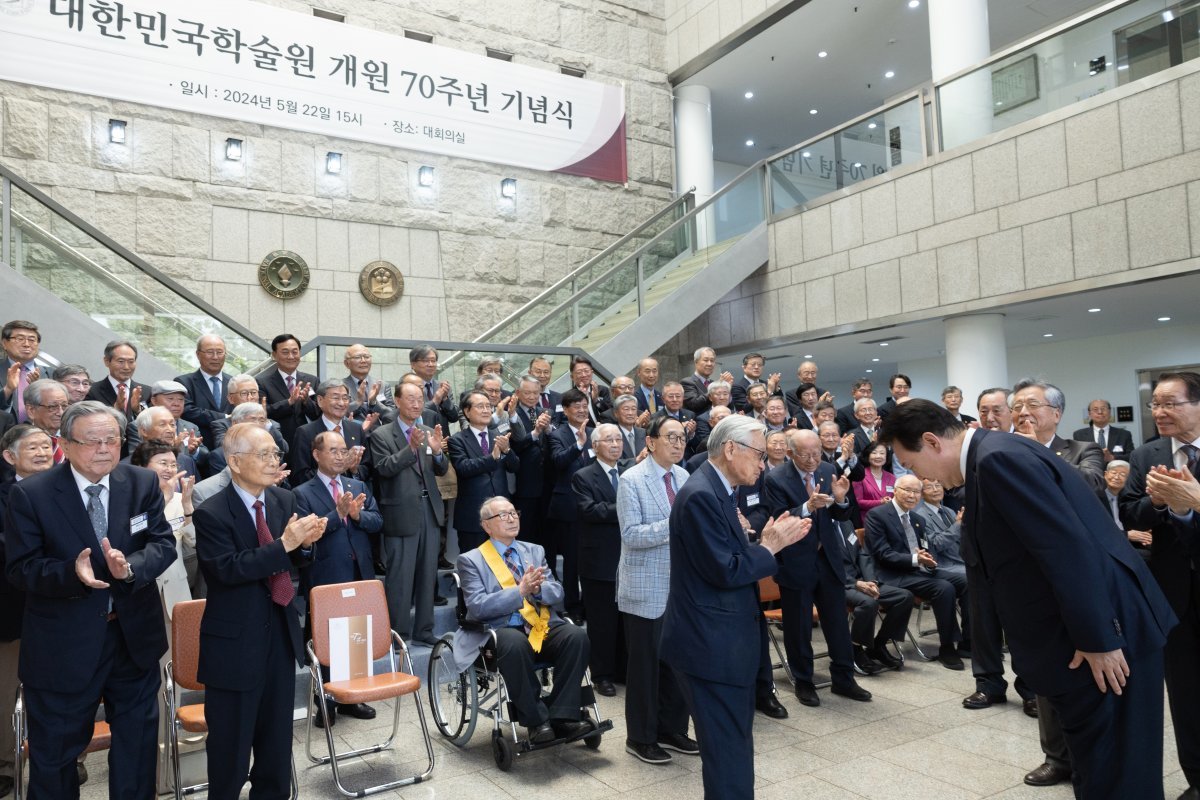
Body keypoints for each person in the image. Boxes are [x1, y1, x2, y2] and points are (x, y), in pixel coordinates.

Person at [880, 399, 1176, 798]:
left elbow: (1066, 549)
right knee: (1102, 770)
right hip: (1088, 633)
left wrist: (1099, 640)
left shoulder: (998, 461)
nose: (919, 475)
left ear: (932, 441)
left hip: (1105, 641)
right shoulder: (995, 452)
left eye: (912, 464)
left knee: (1117, 776)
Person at [6, 401, 178, 798]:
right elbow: (21, 568)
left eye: (112, 439)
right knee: (56, 757)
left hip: (132, 638)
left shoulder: (141, 482)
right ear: (64, 443)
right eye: (92, 441)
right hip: (63, 645)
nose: (104, 448)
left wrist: (130, 567)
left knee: (136, 749)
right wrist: (72, 574)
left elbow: (161, 543)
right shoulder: (33, 494)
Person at [661, 415, 810, 800]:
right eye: (759, 454)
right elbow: (726, 571)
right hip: (709, 647)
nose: (764, 464)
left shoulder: (717, 490)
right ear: (730, 449)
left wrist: (760, 542)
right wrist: (769, 547)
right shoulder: (701, 496)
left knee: (733, 746)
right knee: (728, 753)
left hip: (722, 643)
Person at [193, 422, 325, 800]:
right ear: (235, 462)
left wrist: (303, 545)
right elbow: (227, 570)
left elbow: (296, 559)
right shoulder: (212, 512)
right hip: (234, 646)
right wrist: (286, 544)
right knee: (230, 750)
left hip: (279, 636)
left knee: (275, 746)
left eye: (275, 454)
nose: (273, 462)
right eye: (263, 454)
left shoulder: (282, 500)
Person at [452, 496, 591, 744]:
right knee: (515, 643)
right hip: (497, 630)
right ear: (486, 525)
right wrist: (520, 591)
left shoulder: (534, 551)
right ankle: (536, 721)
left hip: (539, 625)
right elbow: (478, 607)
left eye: (513, 513)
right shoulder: (471, 559)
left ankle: (563, 715)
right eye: (502, 515)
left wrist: (538, 590)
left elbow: (557, 593)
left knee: (576, 636)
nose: (511, 518)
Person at [1121, 371, 1200, 800]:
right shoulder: (1146, 453)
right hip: (1172, 591)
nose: (1161, 412)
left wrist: (1192, 503)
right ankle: (1197, 780)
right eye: (1156, 404)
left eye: (1172, 403)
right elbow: (1129, 512)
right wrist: (1156, 501)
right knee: (1186, 693)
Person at [615, 416, 701, 764]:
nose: (679, 444)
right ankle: (640, 737)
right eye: (671, 437)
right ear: (650, 442)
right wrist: (675, 524)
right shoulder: (631, 480)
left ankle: (672, 728)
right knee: (645, 668)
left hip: (681, 586)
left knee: (678, 662)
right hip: (645, 587)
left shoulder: (684, 478)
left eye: (682, 438)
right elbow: (631, 535)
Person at [762, 429, 869, 707]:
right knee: (798, 628)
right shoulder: (775, 478)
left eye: (816, 453)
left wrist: (842, 499)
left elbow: (839, 513)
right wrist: (807, 507)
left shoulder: (827, 468)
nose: (812, 460)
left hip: (828, 558)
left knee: (836, 623)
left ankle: (844, 678)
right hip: (795, 561)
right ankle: (804, 681)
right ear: (789, 454)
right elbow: (778, 518)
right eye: (805, 454)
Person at [294, 430, 382, 725]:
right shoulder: (302, 492)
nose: (340, 456)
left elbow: (376, 521)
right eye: (333, 450)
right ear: (316, 454)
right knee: (327, 641)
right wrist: (337, 514)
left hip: (359, 572)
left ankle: (353, 698)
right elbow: (307, 533)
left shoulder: (357, 484)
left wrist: (356, 516)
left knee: (357, 637)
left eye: (343, 451)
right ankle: (326, 702)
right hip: (325, 574)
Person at [369, 382, 448, 646]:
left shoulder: (427, 431)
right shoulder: (382, 435)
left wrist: (437, 453)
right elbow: (383, 469)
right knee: (400, 577)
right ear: (397, 401)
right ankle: (398, 633)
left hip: (430, 510)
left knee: (428, 574)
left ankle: (424, 630)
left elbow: (441, 469)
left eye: (420, 399)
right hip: (400, 513)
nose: (416, 404)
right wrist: (410, 449)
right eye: (411, 399)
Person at [865, 473, 969, 669]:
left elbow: (924, 547)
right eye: (907, 491)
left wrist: (927, 559)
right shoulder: (877, 515)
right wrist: (914, 559)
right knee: (944, 588)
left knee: (967, 582)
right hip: (891, 574)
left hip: (919, 570)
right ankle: (947, 647)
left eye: (916, 492)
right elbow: (882, 554)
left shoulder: (916, 518)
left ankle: (969, 640)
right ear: (895, 491)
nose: (912, 496)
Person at [0, 425, 55, 796]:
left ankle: (71, 757)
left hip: (63, 609)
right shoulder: (5, 494)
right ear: (9, 456)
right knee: (7, 693)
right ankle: (6, 763)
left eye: (46, 446)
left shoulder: (72, 487)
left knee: (60, 689)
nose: (41, 452)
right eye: (31, 447)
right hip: (13, 609)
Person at [571, 424, 628, 697]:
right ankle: (602, 674)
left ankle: (623, 669)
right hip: (599, 560)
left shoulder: (629, 473)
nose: (616, 444)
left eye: (618, 439)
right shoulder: (583, 476)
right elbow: (590, 510)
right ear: (595, 446)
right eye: (609, 440)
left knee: (626, 619)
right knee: (602, 621)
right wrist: (627, 508)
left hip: (629, 558)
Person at [449, 390, 521, 553]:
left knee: (503, 562)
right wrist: (493, 457)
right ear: (467, 411)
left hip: (501, 515)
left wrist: (507, 450)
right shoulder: (457, 440)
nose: (486, 410)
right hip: (473, 516)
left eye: (488, 406)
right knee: (473, 564)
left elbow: (514, 467)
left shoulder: (499, 435)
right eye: (480, 406)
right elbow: (463, 468)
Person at [129, 440, 199, 593]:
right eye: (163, 463)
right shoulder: (128, 500)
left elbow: (194, 543)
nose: (170, 469)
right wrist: (164, 500)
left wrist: (187, 505)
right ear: (141, 467)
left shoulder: (180, 499)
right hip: (142, 586)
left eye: (174, 465)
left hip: (176, 587)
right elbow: (136, 540)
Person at [288, 379, 371, 484]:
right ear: (320, 401)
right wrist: (341, 467)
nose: (341, 403)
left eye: (345, 398)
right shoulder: (305, 432)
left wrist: (354, 470)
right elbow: (300, 475)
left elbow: (367, 468)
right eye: (336, 398)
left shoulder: (356, 429)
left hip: (353, 495)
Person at [256, 333, 320, 448]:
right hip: (277, 443)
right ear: (274, 355)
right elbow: (263, 412)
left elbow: (318, 413)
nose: (291, 356)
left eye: (295, 352)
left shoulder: (312, 380)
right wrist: (288, 402)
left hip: (308, 444)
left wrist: (306, 401)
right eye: (285, 352)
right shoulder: (262, 383)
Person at [177, 334, 233, 449]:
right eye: (210, 352)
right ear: (198, 354)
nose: (215, 357)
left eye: (219, 352)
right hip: (198, 447)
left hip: (231, 447)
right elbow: (188, 411)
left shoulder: (234, 382)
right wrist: (225, 417)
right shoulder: (184, 382)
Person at [84, 339, 151, 418]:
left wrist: (138, 410)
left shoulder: (147, 392)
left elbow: (151, 422)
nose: (126, 367)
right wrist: (116, 409)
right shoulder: (92, 391)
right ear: (107, 361)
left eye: (131, 361)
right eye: (121, 361)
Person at [1, 320, 43, 422]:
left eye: (32, 340)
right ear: (4, 343)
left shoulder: (52, 374)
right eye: (20, 339)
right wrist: (8, 390)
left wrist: (40, 392)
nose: (26, 344)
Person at [852, 442, 895, 527]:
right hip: (868, 522)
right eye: (874, 453)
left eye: (882, 453)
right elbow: (858, 502)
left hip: (889, 521)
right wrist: (880, 502)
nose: (878, 456)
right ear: (868, 455)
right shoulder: (859, 475)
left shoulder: (892, 477)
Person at [680, 347, 733, 415]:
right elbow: (693, 405)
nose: (709, 364)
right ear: (696, 362)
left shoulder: (713, 383)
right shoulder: (687, 382)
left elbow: (728, 407)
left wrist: (727, 389)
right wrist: (715, 388)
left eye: (712, 360)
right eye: (706, 360)